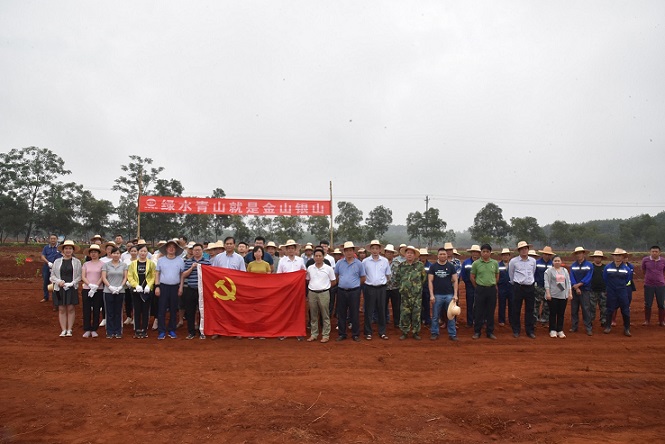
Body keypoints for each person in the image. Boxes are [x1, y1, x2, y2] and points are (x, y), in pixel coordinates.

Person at [334, 241, 366, 342]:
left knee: (354, 313)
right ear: (344, 252)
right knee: (341, 313)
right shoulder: (339, 263)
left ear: (353, 251)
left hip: (354, 291)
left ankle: (355, 334)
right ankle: (342, 333)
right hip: (341, 291)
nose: (348, 252)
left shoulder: (359, 264)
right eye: (346, 250)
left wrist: (354, 284)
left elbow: (363, 278)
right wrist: (344, 283)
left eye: (350, 250)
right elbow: (336, 276)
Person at [154, 239, 186, 340]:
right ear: (166, 249)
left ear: (176, 249)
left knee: (173, 309)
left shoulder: (180, 260)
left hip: (175, 287)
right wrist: (157, 286)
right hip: (163, 286)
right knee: (162, 309)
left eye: (173, 247)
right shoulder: (161, 260)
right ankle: (161, 331)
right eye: (169, 247)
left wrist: (181, 287)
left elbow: (182, 275)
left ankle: (172, 329)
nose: (171, 249)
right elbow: (157, 273)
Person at [50, 240, 82, 337]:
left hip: (71, 288)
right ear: (63, 250)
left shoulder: (77, 262)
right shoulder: (57, 261)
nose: (68, 250)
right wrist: (58, 281)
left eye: (70, 248)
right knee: (61, 308)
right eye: (66, 248)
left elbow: (80, 275)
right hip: (59, 288)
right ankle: (63, 329)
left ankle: (69, 329)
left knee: (71, 308)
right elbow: (52, 275)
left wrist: (72, 283)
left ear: (73, 250)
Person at [394, 245, 426, 340]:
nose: (409, 255)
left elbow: (423, 278)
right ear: (405, 255)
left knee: (416, 314)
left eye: (411, 253)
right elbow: (397, 279)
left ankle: (415, 332)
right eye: (408, 253)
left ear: (415, 255)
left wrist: (417, 288)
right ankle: (404, 332)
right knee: (404, 314)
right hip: (405, 295)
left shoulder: (420, 265)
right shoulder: (401, 266)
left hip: (417, 296)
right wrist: (403, 288)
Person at [362, 240, 391, 340]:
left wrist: (381, 282)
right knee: (368, 310)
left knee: (382, 310)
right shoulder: (365, 261)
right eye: (373, 248)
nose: (375, 250)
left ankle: (382, 332)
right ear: (370, 250)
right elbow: (363, 275)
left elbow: (388, 275)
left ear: (380, 250)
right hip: (369, 288)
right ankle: (368, 332)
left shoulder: (385, 261)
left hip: (381, 288)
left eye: (377, 248)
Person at [306, 247, 336, 343]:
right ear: (314, 257)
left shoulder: (328, 268)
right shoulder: (310, 268)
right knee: (313, 315)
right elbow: (307, 280)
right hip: (312, 293)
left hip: (324, 293)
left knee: (325, 315)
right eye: (316, 256)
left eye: (320, 256)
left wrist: (325, 287)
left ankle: (325, 335)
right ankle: (314, 334)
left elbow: (333, 281)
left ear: (323, 257)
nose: (318, 257)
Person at [181, 243, 211, 339]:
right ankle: (191, 332)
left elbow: (210, 276)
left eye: (199, 250)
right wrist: (192, 268)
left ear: (202, 251)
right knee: (190, 311)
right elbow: (184, 275)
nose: (197, 252)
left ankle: (202, 331)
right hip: (190, 289)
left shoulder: (207, 262)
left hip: (202, 290)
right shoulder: (188, 262)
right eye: (195, 250)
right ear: (192, 251)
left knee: (202, 311)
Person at [428, 248, 459, 341]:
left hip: (449, 295)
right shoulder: (433, 267)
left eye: (444, 254)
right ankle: (434, 333)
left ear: (447, 255)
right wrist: (431, 295)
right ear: (437, 255)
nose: (442, 256)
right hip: (437, 295)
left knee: (451, 316)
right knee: (435, 316)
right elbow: (430, 281)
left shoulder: (451, 266)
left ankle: (452, 334)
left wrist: (455, 294)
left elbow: (455, 280)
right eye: (440, 254)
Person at [470, 244, 499, 340]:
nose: (485, 253)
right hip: (480, 289)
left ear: (490, 253)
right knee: (479, 311)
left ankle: (490, 332)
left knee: (490, 311)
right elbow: (472, 277)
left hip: (491, 289)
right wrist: (477, 286)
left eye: (487, 251)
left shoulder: (495, 263)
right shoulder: (476, 263)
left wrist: (492, 283)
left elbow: (497, 276)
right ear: (481, 252)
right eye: (483, 251)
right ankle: (477, 332)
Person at [509, 241, 537, 339]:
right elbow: (511, 274)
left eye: (525, 248)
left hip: (530, 287)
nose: (524, 251)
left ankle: (529, 331)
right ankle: (516, 330)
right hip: (518, 287)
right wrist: (516, 283)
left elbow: (533, 272)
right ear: (519, 251)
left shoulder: (533, 261)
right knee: (516, 309)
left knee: (530, 309)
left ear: (528, 250)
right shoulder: (513, 261)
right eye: (522, 249)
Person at [127, 243, 155, 339]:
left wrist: (149, 286)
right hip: (136, 291)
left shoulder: (151, 264)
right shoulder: (133, 264)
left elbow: (153, 276)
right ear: (138, 252)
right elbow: (130, 276)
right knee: (137, 310)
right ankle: (137, 329)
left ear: (147, 253)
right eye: (141, 251)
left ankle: (144, 329)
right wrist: (136, 285)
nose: (143, 253)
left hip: (147, 291)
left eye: (145, 251)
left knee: (146, 310)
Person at [603, 248, 633, 336]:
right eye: (616, 255)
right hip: (611, 291)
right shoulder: (607, 267)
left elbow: (628, 279)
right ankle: (608, 327)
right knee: (609, 309)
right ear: (613, 257)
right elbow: (605, 278)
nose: (617, 257)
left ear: (623, 257)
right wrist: (611, 287)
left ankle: (627, 329)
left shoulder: (626, 269)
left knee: (625, 309)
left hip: (622, 291)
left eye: (619, 256)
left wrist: (620, 286)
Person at [101, 246, 128, 338]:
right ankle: (109, 331)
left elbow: (125, 277)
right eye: (114, 253)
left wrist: (120, 287)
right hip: (108, 291)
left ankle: (118, 331)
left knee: (118, 311)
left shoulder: (124, 265)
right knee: (109, 312)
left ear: (120, 255)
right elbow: (104, 277)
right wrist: (110, 287)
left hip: (120, 291)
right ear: (111, 254)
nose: (116, 255)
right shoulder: (106, 265)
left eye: (117, 253)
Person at [544, 255, 573, 338]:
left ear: (561, 262)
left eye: (558, 261)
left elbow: (568, 282)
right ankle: (552, 330)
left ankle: (560, 330)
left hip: (563, 296)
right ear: (552, 262)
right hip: (553, 295)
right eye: (555, 261)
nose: (557, 262)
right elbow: (546, 283)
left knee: (561, 313)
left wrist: (570, 293)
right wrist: (548, 293)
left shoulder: (565, 271)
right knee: (553, 313)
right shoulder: (549, 271)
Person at [569, 246, 593, 335]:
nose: (578, 255)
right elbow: (571, 277)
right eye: (577, 253)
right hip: (575, 290)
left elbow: (588, 277)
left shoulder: (589, 265)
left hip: (585, 290)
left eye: (580, 253)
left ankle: (588, 328)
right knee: (574, 309)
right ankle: (574, 327)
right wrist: (576, 287)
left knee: (586, 309)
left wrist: (579, 285)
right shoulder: (573, 265)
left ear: (583, 254)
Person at [81, 244, 104, 338]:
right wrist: (90, 285)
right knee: (86, 309)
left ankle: (94, 329)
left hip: (98, 289)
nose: (93, 254)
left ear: (98, 253)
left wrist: (96, 286)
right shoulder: (86, 264)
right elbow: (83, 276)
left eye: (95, 252)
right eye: (92, 252)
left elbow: (103, 276)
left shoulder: (103, 264)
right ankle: (87, 329)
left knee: (96, 309)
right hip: (87, 289)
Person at [641, 245, 665, 326]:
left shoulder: (663, 260)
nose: (654, 253)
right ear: (650, 252)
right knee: (648, 303)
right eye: (653, 251)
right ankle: (647, 321)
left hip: (660, 285)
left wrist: (660, 278)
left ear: (659, 252)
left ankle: (661, 321)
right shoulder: (645, 260)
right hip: (648, 284)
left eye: (656, 252)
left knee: (661, 303)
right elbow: (643, 270)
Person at [460, 245, 481, 328]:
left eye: (476, 252)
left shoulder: (482, 262)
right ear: (471, 253)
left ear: (479, 253)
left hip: (480, 286)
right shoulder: (466, 262)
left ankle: (479, 321)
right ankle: (470, 322)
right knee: (470, 303)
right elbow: (463, 274)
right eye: (473, 252)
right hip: (469, 286)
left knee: (480, 304)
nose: (475, 254)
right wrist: (469, 282)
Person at [534, 246, 554, 325]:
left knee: (547, 305)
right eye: (545, 254)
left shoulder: (552, 264)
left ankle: (544, 320)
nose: (547, 256)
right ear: (543, 254)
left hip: (548, 288)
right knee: (536, 304)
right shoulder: (537, 263)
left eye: (549, 254)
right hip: (538, 286)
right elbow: (533, 273)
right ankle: (535, 320)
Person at [40, 234, 62, 305]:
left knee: (56, 283)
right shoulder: (46, 247)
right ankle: (46, 297)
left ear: (57, 239)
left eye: (54, 238)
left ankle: (56, 299)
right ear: (49, 239)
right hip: (47, 266)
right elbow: (42, 256)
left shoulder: (60, 247)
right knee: (46, 282)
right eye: (51, 238)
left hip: (57, 268)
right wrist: (48, 262)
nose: (53, 240)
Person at [588, 251, 607, 328]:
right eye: (596, 257)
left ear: (601, 258)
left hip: (603, 290)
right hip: (592, 290)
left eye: (599, 257)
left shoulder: (605, 268)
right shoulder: (590, 267)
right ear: (593, 258)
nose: (597, 259)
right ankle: (590, 321)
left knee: (604, 307)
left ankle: (604, 321)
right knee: (591, 307)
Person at [384, 244, 401, 328]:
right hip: (384, 288)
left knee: (396, 306)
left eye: (391, 252)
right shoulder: (381, 262)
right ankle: (383, 321)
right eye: (388, 252)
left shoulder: (398, 263)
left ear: (393, 254)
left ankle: (397, 322)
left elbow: (401, 275)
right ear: (385, 253)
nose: (389, 254)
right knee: (383, 306)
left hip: (395, 288)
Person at [121, 245, 138, 326]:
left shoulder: (140, 261)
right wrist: (127, 281)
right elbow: (123, 272)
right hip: (127, 284)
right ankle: (129, 316)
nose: (133, 253)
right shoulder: (126, 261)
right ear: (129, 252)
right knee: (127, 301)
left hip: (136, 285)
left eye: (135, 251)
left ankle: (135, 317)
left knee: (135, 302)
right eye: (132, 251)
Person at [497, 248, 513, 326]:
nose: (505, 256)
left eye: (507, 255)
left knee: (512, 304)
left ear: (509, 256)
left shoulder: (512, 265)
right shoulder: (498, 265)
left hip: (511, 287)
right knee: (501, 304)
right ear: (501, 256)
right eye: (504, 255)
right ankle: (501, 320)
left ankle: (511, 320)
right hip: (502, 287)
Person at [419, 248, 433, 327]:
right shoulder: (416, 265)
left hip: (427, 288)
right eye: (421, 255)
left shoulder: (430, 265)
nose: (423, 257)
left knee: (426, 304)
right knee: (418, 305)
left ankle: (427, 320)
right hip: (417, 289)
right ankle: (420, 319)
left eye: (424, 255)